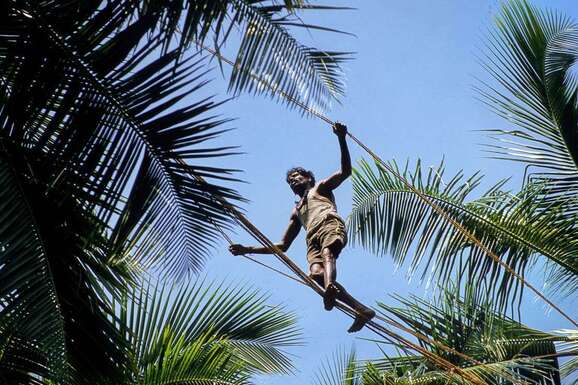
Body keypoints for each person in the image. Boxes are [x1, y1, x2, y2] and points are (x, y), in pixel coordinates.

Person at [229, 122, 375, 333]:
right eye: (290, 181)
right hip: (311, 239)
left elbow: (345, 171)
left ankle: (331, 287)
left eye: (296, 177)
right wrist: (247, 250)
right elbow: (282, 246)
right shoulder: (297, 211)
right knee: (315, 275)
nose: (292, 181)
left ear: (307, 178)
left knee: (328, 255)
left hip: (328, 223)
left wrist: (341, 138)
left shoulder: (320, 188)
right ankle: (361, 309)